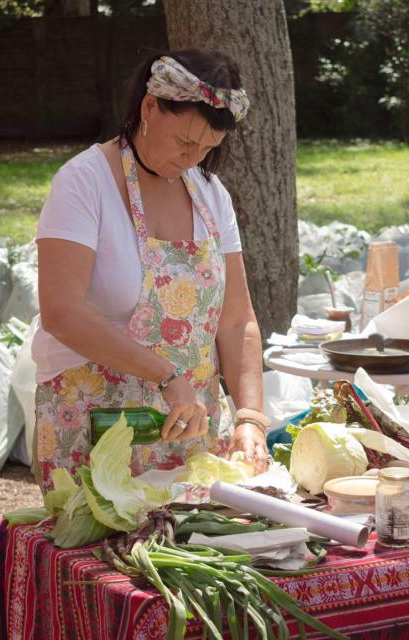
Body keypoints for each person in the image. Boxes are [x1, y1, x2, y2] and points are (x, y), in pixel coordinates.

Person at [32, 48, 269, 493]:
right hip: (93, 428)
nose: (192, 159)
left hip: (191, 434)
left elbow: (237, 320)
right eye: (184, 141)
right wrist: (167, 376)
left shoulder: (211, 195)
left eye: (207, 148)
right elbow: (60, 310)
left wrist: (250, 417)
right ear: (149, 106)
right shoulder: (85, 182)